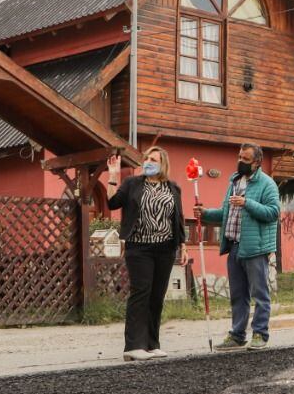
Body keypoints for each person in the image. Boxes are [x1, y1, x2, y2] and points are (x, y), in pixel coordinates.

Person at [194, 144, 280, 351]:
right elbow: (225, 213)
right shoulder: (234, 181)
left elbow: (273, 212)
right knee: (238, 294)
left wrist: (247, 203)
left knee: (260, 293)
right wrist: (205, 213)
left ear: (257, 162)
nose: (240, 161)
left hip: (256, 248)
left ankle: (260, 333)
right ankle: (237, 334)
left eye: (246, 159)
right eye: (239, 157)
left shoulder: (267, 184)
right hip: (234, 247)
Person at [106, 148, 187, 362]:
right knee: (141, 293)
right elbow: (112, 202)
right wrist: (113, 176)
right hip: (139, 248)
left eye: (153, 159)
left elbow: (178, 218)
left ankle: (152, 344)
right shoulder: (132, 183)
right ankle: (133, 346)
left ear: (163, 164)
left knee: (156, 296)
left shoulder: (173, 188)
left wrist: (183, 246)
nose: (148, 162)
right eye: (146, 159)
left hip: (166, 249)